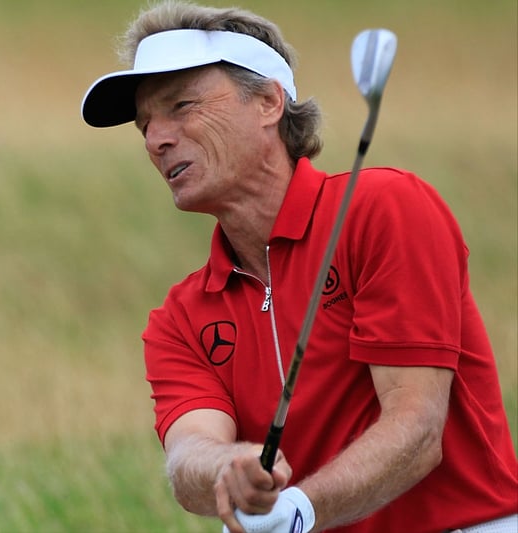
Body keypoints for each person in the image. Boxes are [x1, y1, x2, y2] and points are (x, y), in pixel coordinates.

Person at [79, 2, 518, 532]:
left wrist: (301, 511)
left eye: (182, 106)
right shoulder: (179, 316)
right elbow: (190, 453)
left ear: (268, 101)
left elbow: (417, 429)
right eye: (145, 124)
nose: (156, 139)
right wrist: (229, 467)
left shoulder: (382, 208)